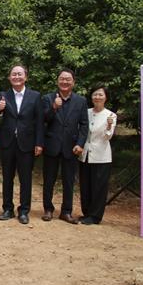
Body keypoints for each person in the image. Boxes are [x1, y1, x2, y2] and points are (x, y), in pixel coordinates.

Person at [0, 64, 43, 225]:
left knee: (25, 178)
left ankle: (24, 211)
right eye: (13, 74)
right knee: (7, 177)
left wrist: (39, 143)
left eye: (19, 74)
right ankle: (7, 209)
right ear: (9, 78)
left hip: (27, 143)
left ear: (25, 77)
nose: (16, 77)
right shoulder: (3, 95)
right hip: (8, 142)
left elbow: (39, 121)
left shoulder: (35, 96)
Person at [41, 68, 89, 224]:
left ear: (73, 82)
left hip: (71, 146)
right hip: (52, 145)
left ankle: (66, 211)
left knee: (69, 181)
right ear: (57, 81)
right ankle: (48, 209)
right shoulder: (48, 98)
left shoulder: (81, 101)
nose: (65, 82)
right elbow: (43, 119)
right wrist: (54, 108)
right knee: (49, 180)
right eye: (62, 79)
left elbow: (84, 125)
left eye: (68, 79)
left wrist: (80, 143)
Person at [78, 85, 117, 225]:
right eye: (95, 94)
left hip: (101, 156)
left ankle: (95, 216)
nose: (97, 97)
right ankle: (86, 213)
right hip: (85, 154)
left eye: (100, 94)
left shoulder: (110, 115)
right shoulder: (86, 112)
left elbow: (108, 137)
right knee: (85, 185)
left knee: (98, 187)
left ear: (106, 97)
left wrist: (109, 125)